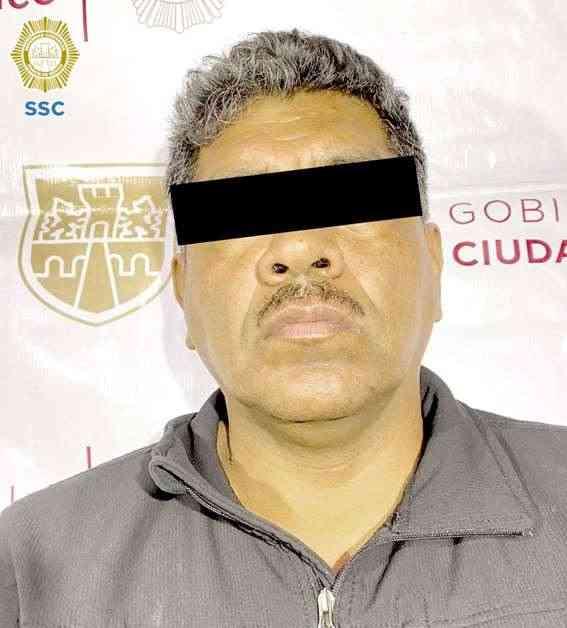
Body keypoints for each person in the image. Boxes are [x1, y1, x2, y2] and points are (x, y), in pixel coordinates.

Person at [1, 28, 566, 628]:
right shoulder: (32, 572)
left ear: (432, 265)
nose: (298, 249)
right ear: (185, 292)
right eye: (242, 213)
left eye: (350, 200)